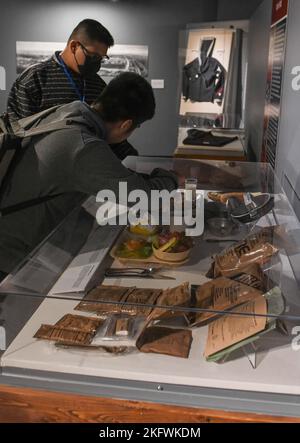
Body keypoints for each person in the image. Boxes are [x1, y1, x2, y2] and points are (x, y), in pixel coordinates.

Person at [0, 73, 179, 277]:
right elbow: (144, 197)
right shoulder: (83, 146)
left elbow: (108, 173)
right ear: (126, 124)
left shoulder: (65, 113)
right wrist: (172, 178)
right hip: (11, 253)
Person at [7, 19, 138, 160]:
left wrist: (134, 160)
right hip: (44, 171)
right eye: (93, 56)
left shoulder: (98, 85)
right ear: (74, 46)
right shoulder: (34, 80)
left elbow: (108, 131)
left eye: (101, 58)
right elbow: (20, 135)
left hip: (89, 168)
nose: (97, 63)